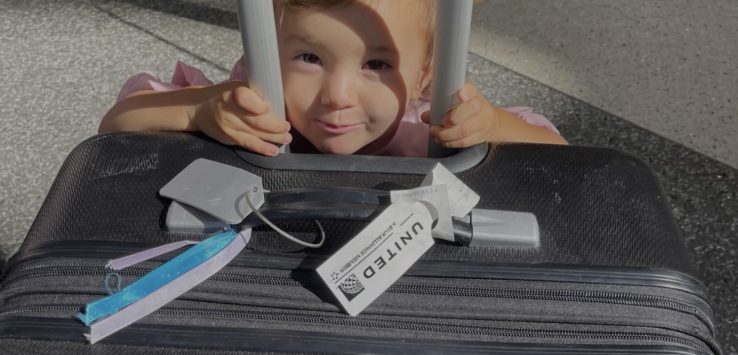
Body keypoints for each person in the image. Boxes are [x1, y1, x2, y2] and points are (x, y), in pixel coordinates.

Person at [99, 0, 566, 157]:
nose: (337, 96)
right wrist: (198, 108)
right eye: (308, 57)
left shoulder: (426, 123)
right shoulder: (251, 103)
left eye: (377, 65)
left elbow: (561, 158)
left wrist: (491, 128)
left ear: (427, 75)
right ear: (267, 52)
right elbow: (115, 128)